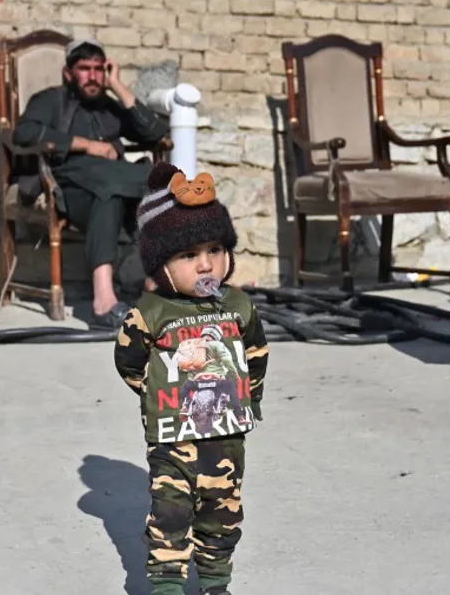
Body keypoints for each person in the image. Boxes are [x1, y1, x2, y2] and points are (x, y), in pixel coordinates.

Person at [114, 162, 269, 595]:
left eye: (215, 250)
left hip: (225, 436)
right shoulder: (150, 312)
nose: (206, 264)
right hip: (172, 440)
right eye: (188, 255)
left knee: (223, 512)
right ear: (161, 265)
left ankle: (216, 581)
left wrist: (250, 397)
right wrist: (156, 392)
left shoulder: (237, 306)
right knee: (171, 513)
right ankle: (167, 584)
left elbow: (255, 354)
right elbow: (128, 360)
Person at [13, 38, 169, 329]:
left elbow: (156, 133)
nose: (93, 76)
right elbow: (24, 133)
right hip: (71, 188)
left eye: (99, 69)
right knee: (126, 187)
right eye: (85, 69)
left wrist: (118, 86)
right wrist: (86, 145)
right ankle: (106, 302)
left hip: (113, 186)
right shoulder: (51, 100)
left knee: (124, 192)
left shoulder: (109, 107)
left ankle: (143, 288)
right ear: (69, 73)